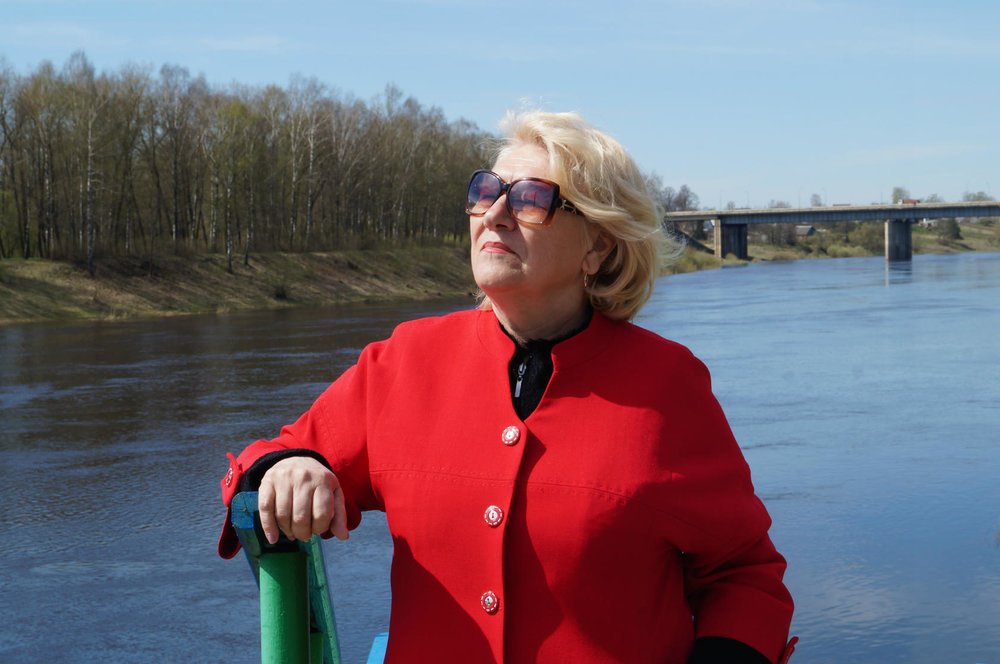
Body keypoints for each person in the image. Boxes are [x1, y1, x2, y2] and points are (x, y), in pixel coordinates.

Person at [218, 110, 796, 663]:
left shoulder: (667, 387)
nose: (494, 213)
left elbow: (745, 577)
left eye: (530, 199)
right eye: (486, 190)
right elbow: (270, 458)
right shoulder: (403, 362)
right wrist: (290, 468)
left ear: (598, 245)